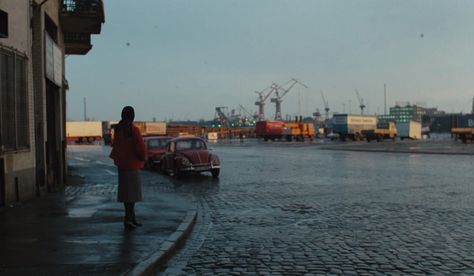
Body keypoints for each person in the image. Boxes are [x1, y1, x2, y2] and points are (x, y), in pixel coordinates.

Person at [109, 106, 147, 229]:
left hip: (122, 166)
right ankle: (129, 219)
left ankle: (130, 218)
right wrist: (144, 158)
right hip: (133, 165)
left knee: (126, 195)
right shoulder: (133, 130)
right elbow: (140, 147)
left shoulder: (118, 130)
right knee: (133, 195)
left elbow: (115, 145)